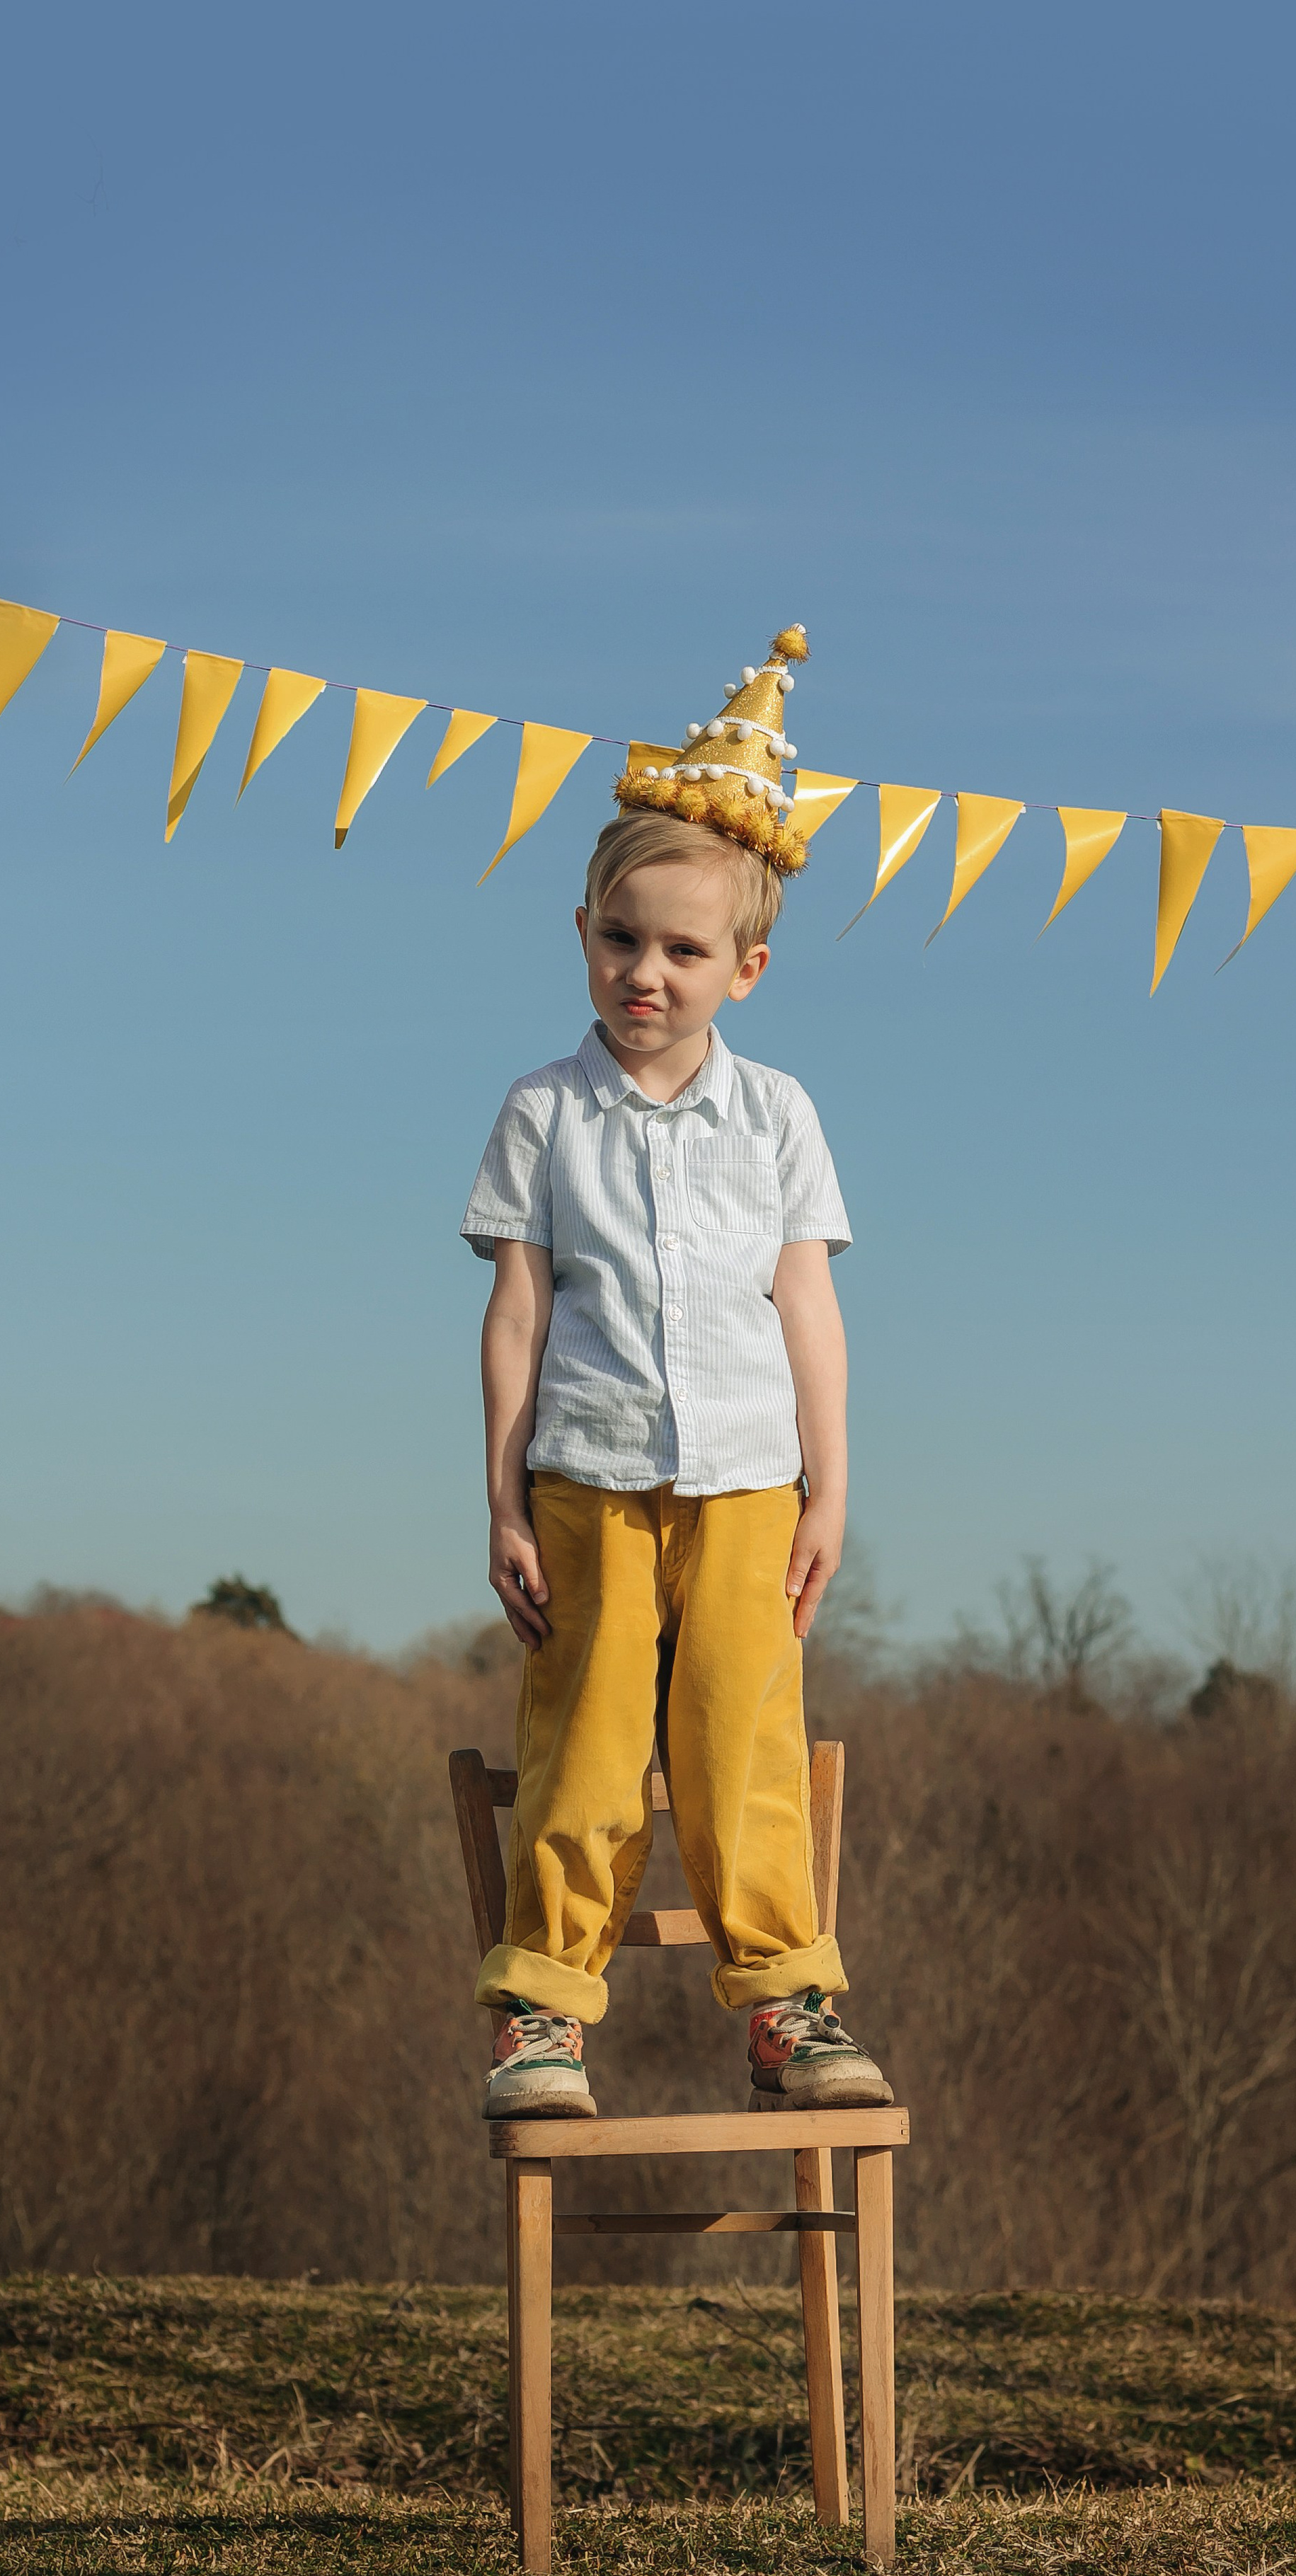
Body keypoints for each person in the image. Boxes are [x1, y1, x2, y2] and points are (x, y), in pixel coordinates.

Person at [461, 625, 890, 2121]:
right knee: (582, 1741)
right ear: (583, 928)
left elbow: (806, 1313)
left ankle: (787, 2002)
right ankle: (543, 2016)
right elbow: (516, 1315)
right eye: (621, 939)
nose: (646, 972)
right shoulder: (541, 1114)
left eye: (684, 950)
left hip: (747, 1487)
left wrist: (830, 1486)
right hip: (584, 1479)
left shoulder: (777, 1120)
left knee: (737, 1738)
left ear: (745, 969)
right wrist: (503, 1498)